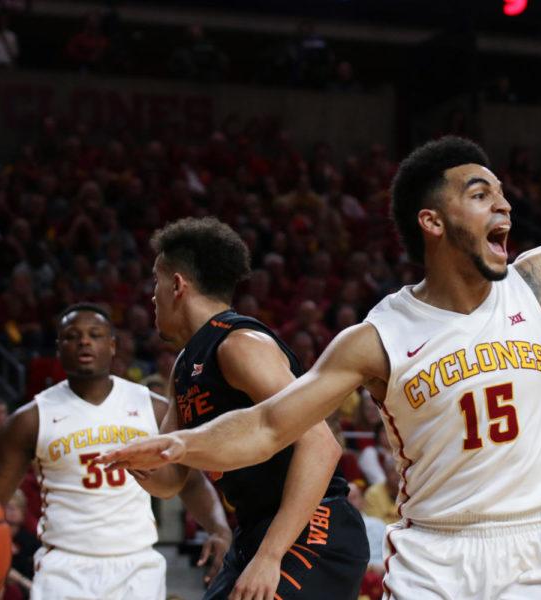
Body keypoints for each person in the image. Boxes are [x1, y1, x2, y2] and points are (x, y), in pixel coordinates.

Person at [100, 98, 541, 599]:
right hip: (433, 554)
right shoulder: (377, 338)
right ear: (432, 221)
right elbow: (267, 425)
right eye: (479, 194)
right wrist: (180, 448)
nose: (503, 206)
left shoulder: (535, 284)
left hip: (531, 544)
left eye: (501, 193)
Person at [132, 218, 368, 600]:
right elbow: (172, 479)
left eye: (155, 283)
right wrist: (131, 460)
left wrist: (270, 556)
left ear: (176, 285)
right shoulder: (183, 366)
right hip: (255, 530)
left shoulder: (239, 345)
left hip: (312, 524)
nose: (152, 296)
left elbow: (322, 445)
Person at [0, 304, 231, 600]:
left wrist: (219, 529)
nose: (84, 341)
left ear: (112, 346)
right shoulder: (31, 418)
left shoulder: (153, 407)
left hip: (137, 563)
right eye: (72, 336)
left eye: (95, 334)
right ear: (59, 348)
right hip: (64, 566)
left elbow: (192, 481)